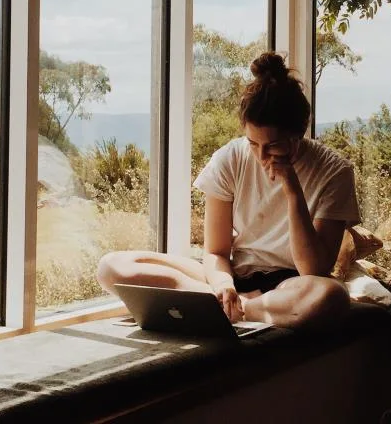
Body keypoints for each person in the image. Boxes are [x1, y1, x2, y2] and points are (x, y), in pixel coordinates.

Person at [97, 51, 360, 329]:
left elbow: (314, 269)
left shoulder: (334, 171)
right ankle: (225, 302)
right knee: (112, 267)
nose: (261, 156)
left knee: (331, 296)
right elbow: (216, 251)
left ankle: (239, 308)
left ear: (298, 134)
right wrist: (223, 283)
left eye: (272, 146)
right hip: (235, 274)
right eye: (253, 143)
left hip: (293, 284)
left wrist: (292, 189)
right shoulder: (230, 158)